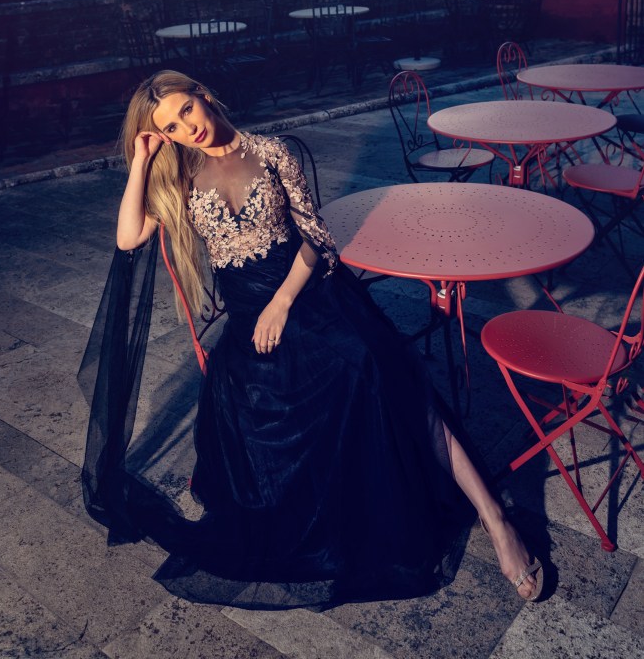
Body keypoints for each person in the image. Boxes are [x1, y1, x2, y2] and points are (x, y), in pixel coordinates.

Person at [79, 69, 543, 609]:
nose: (188, 128)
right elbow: (128, 237)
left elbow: (317, 239)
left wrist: (281, 303)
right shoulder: (180, 178)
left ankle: (496, 518)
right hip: (248, 322)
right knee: (262, 394)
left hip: (309, 295)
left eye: (186, 110)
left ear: (203, 95)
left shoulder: (272, 152)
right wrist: (141, 160)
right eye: (171, 128)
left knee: (378, 369)